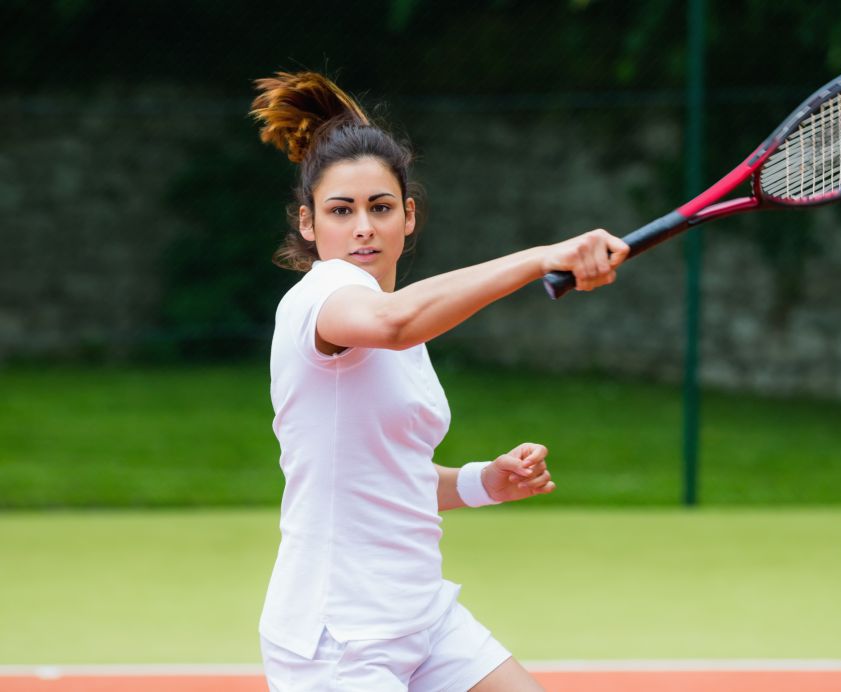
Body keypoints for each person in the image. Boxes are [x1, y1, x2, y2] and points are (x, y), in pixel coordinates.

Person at [249, 71, 628, 691]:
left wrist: (485, 481)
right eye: (341, 211)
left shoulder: (401, 322)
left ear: (409, 216)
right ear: (309, 224)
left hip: (421, 618)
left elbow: (385, 480)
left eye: (380, 207)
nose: (364, 226)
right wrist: (540, 258)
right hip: (339, 638)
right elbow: (394, 322)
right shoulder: (324, 298)